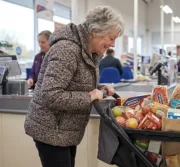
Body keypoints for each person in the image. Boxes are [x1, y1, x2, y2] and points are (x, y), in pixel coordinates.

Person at [24, 6, 124, 167]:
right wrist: (89, 96)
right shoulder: (67, 49)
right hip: (51, 130)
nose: (112, 44)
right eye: (111, 38)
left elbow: (74, 81)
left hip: (65, 130)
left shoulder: (89, 51)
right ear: (96, 31)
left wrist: (100, 88)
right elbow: (51, 94)